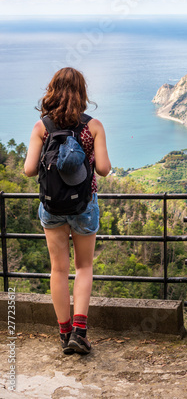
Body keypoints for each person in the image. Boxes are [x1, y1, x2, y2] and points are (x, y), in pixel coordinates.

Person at [24, 67, 111, 355]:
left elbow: (27, 170)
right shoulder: (93, 126)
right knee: (83, 267)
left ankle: (64, 335)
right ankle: (80, 332)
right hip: (84, 204)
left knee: (58, 269)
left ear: (52, 92)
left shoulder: (42, 127)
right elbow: (104, 169)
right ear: (82, 93)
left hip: (52, 207)